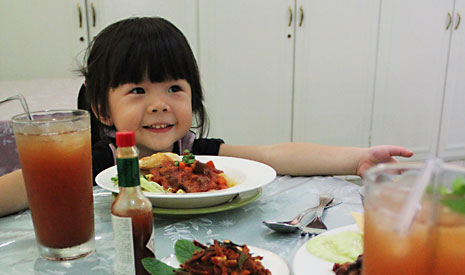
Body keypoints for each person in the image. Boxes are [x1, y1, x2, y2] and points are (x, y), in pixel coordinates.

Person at [0, 17, 413, 217]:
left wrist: (355, 158)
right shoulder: (95, 162)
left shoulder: (195, 156)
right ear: (103, 109)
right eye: (138, 91)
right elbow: (22, 188)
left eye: (174, 89)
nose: (160, 104)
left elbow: (273, 155)